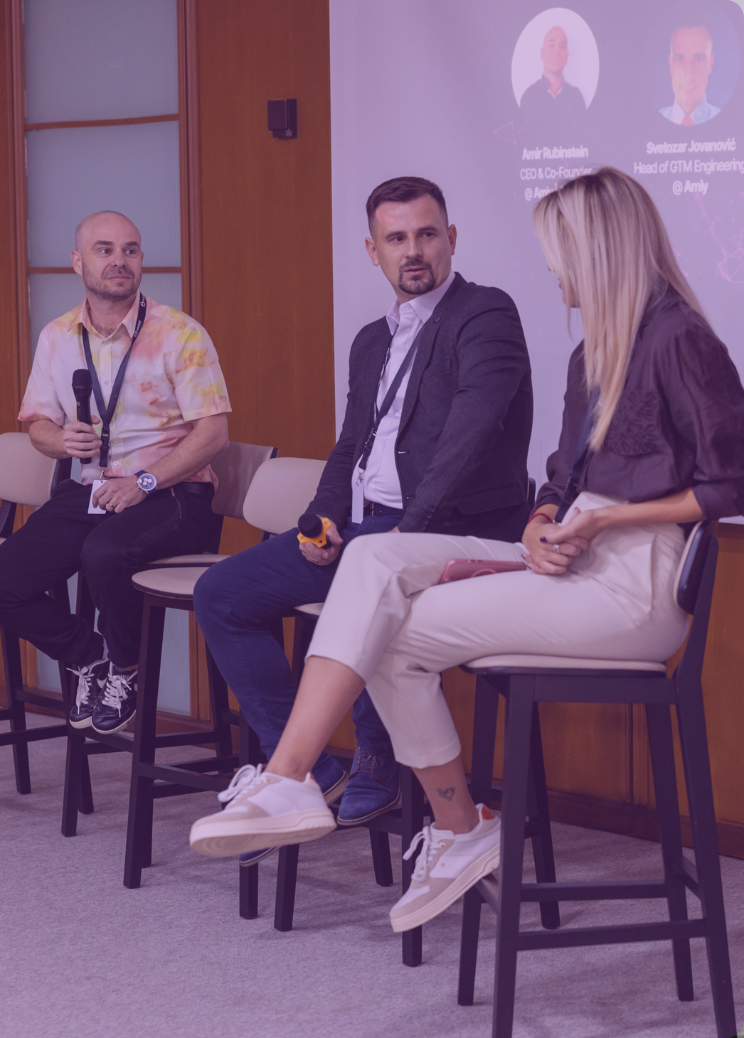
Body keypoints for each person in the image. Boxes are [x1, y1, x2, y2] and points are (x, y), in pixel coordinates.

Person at [189, 168, 744, 935]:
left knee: (385, 610)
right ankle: (392, 805)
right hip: (575, 562)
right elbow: (560, 478)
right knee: (374, 578)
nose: (551, 268)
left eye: (557, 252)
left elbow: (728, 485)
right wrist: (540, 522)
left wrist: (604, 523)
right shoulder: (593, 352)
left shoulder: (679, 339)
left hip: (633, 588)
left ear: (596, 250)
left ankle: (352, 796)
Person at [193, 176, 532, 865]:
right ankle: (315, 773)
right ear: (372, 250)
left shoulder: (485, 314)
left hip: (456, 528)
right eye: (396, 238)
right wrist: (321, 520)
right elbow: (352, 444)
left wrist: (408, 529)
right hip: (366, 526)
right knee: (221, 593)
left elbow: (469, 433)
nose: (414, 250)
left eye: (427, 234)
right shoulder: (371, 340)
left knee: (369, 573)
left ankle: (375, 760)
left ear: (451, 239)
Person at [0, 211, 230, 735]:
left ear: (140, 260)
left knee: (104, 553)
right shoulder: (57, 335)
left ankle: (125, 667)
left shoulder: (179, 333)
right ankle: (89, 656)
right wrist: (60, 440)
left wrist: (143, 482)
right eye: (104, 249)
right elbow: (38, 426)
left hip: (173, 494)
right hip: (96, 490)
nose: (120, 260)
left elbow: (213, 435)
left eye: (130, 250)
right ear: (78, 262)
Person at [520, 25, 586, 124]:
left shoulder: (576, 98)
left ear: (567, 55)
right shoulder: (529, 97)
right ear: (542, 53)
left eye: (562, 46)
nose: (556, 51)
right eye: (551, 45)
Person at [660, 21, 720, 126]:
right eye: (679, 60)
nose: (688, 75)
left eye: (698, 59)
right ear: (671, 65)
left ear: (710, 64)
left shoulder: (731, 123)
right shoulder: (648, 124)